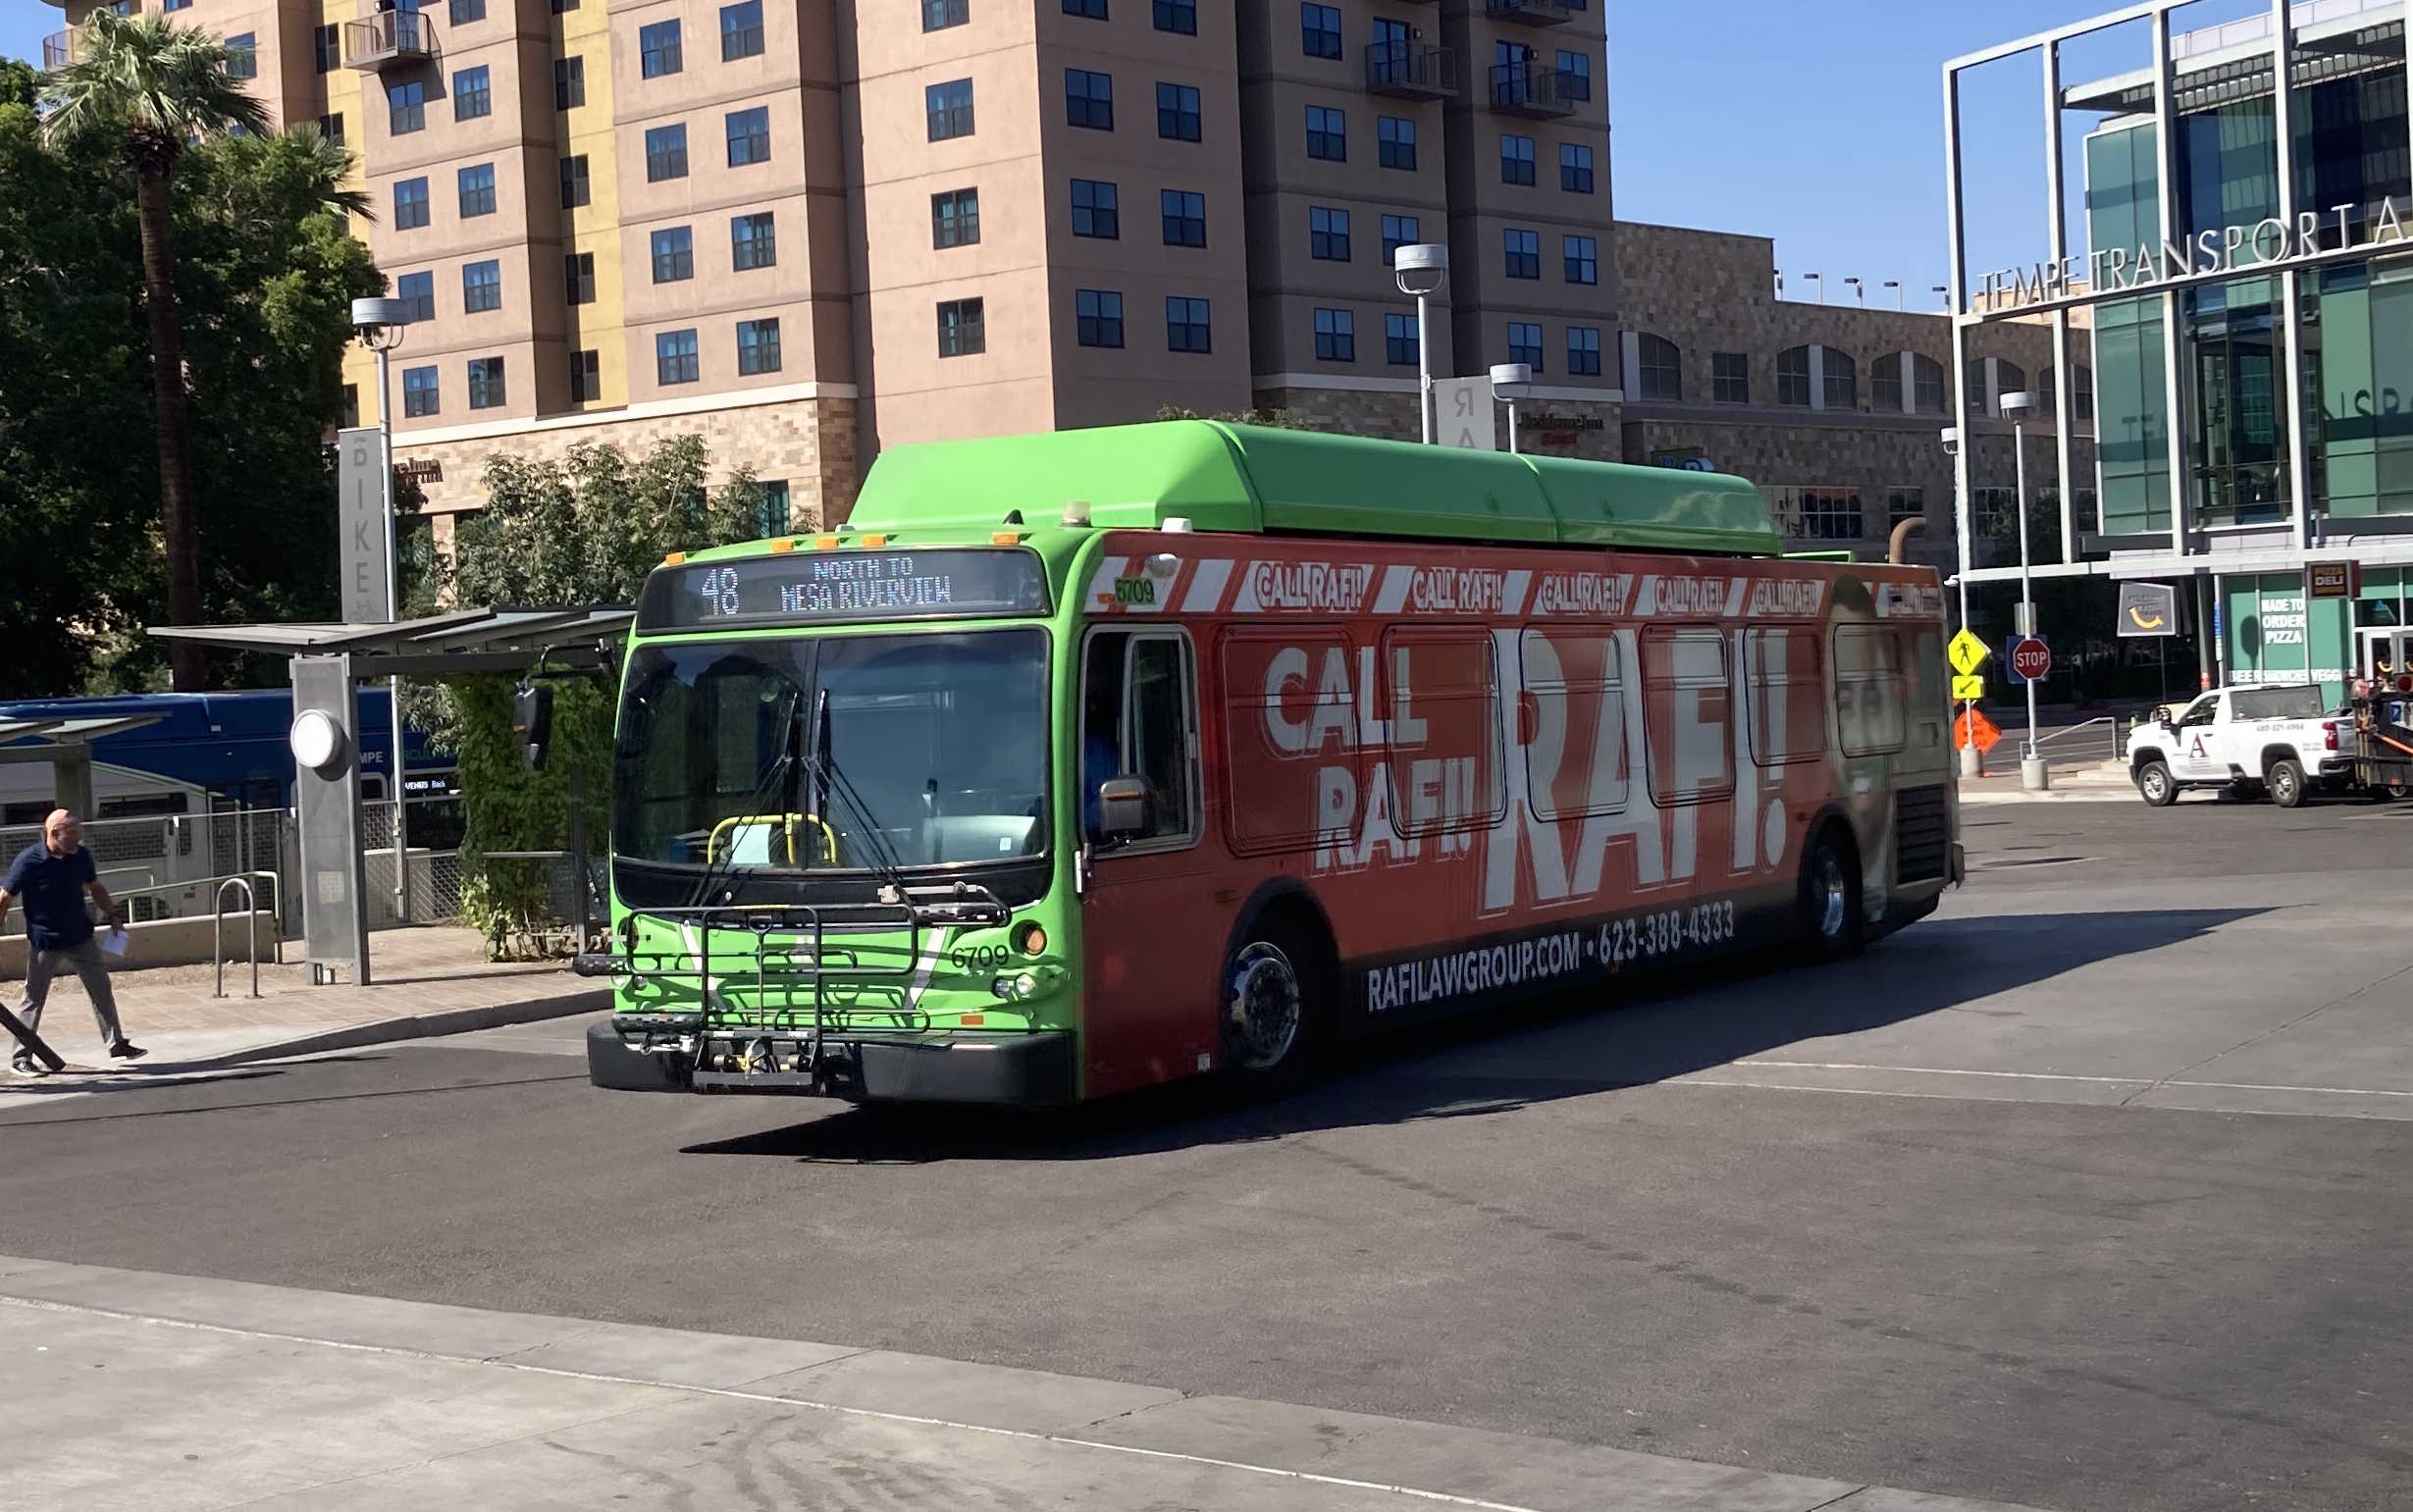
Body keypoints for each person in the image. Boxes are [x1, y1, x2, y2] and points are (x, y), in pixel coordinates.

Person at [2, 809, 146, 1074]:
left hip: (81, 936)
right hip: (45, 942)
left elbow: (95, 887)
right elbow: (5, 897)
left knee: (101, 988)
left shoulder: (80, 856)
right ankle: (21, 1058)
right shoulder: (29, 861)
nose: (77, 838)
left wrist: (113, 914)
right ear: (54, 833)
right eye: (72, 834)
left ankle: (117, 1044)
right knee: (33, 999)